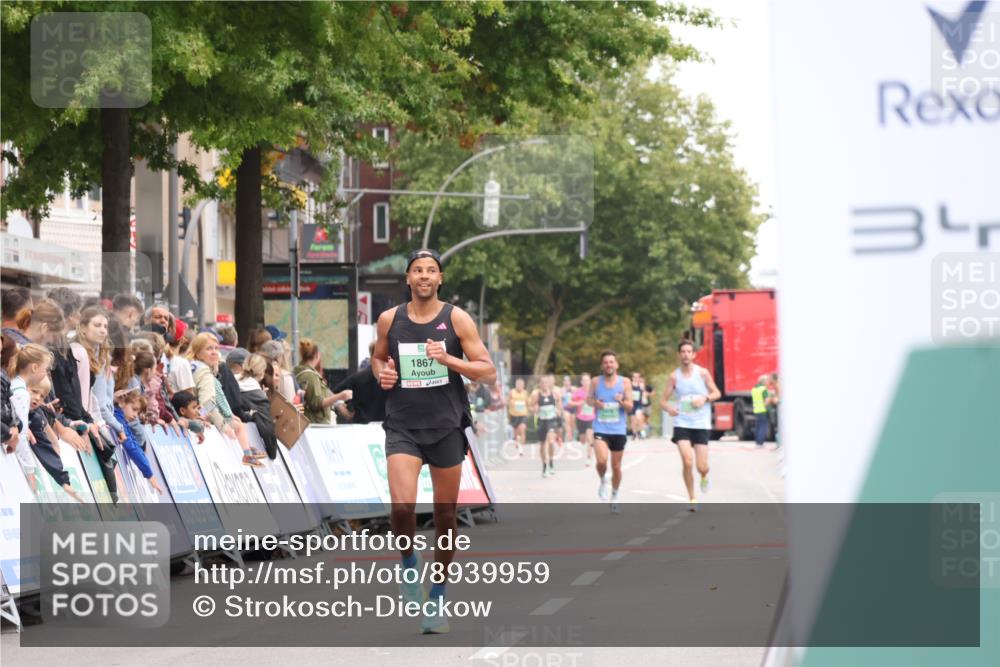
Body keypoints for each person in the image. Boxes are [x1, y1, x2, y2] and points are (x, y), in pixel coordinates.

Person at [372, 248, 496, 634]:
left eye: (431, 271)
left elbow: (487, 372)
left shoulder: (456, 319)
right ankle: (409, 564)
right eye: (417, 271)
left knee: (445, 517)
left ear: (440, 278)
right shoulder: (389, 319)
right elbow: (377, 358)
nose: (424, 276)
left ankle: (437, 596)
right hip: (403, 425)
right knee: (402, 508)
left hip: (445, 425)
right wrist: (383, 374)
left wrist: (449, 361)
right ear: (407, 279)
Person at [187, 332, 266, 466]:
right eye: (209, 349)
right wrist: (224, 426)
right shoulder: (204, 372)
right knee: (237, 424)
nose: (214, 352)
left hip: (197, 416)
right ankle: (247, 453)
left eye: (216, 348)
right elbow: (207, 403)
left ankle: (247, 449)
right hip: (204, 419)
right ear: (198, 353)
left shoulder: (193, 366)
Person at [661, 340, 721, 511]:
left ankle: (704, 475)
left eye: (689, 351)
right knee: (687, 461)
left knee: (701, 466)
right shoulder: (674, 377)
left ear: (694, 355)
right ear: (679, 355)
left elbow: (717, 392)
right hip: (682, 423)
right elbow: (663, 401)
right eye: (683, 352)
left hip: (701, 424)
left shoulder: (702, 373)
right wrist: (669, 409)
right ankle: (692, 498)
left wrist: (705, 398)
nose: (686, 354)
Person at [588, 350, 634, 513]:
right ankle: (602, 480)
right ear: (602, 366)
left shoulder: (625, 382)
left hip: (618, 430)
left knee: (616, 466)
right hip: (600, 427)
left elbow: (630, 406)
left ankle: (614, 495)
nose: (609, 365)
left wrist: (621, 401)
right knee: (601, 461)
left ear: (616, 364)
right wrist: (596, 403)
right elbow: (588, 399)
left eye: (611, 362)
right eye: (606, 362)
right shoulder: (595, 381)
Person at [113, 390, 164, 495]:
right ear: (122, 403)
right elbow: (130, 446)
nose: (136, 415)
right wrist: (149, 473)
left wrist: (148, 468)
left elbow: (134, 443)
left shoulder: (123, 421)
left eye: (138, 412)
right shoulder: (117, 417)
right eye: (134, 409)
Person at [294, 339, 351, 425]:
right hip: (315, 425)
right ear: (317, 355)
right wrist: (340, 396)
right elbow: (317, 403)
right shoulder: (311, 376)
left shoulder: (298, 372)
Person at [331, 341, 386, 425]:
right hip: (384, 428)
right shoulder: (392, 378)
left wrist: (342, 408)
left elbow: (332, 392)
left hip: (361, 426)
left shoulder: (357, 377)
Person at [237, 353, 279, 459]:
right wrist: (272, 452)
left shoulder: (230, 382)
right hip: (247, 448)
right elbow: (267, 430)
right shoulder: (259, 398)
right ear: (262, 372)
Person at [529, 374, 561, 478]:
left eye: (546, 382)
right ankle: (545, 466)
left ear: (549, 383)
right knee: (543, 444)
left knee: (551, 441)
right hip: (541, 420)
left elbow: (559, 404)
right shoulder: (536, 394)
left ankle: (551, 462)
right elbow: (530, 406)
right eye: (542, 382)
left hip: (551, 420)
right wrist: (535, 409)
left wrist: (558, 410)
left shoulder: (554, 393)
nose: (544, 384)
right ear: (539, 384)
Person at [569, 372, 595, 466]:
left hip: (591, 418)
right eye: (584, 380)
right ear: (581, 382)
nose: (586, 382)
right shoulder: (578, 392)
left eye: (587, 380)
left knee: (589, 438)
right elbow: (570, 402)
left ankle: (589, 457)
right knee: (583, 441)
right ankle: (586, 442)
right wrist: (579, 403)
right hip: (580, 418)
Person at [507, 377, 529, 456]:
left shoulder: (525, 393)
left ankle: (521, 448)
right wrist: (512, 403)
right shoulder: (512, 392)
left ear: (523, 385)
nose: (519, 386)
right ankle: (518, 445)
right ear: (516, 385)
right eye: (518, 384)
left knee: (522, 429)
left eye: (521, 384)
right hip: (514, 415)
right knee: (516, 434)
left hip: (523, 415)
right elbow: (508, 401)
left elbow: (527, 403)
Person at [751, 374, 770, 448]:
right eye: (767, 381)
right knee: (762, 427)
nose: (768, 382)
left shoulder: (754, 389)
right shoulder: (763, 389)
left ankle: (757, 443)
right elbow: (767, 400)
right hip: (762, 409)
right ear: (764, 381)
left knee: (758, 426)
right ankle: (761, 443)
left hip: (756, 409)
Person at [561, 375, 577, 444]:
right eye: (565, 381)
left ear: (570, 382)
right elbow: (560, 400)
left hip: (573, 408)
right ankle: (569, 436)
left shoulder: (574, 388)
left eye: (568, 381)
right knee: (567, 422)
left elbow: (577, 397)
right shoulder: (561, 390)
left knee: (572, 423)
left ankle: (573, 436)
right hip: (565, 408)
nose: (566, 382)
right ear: (563, 382)